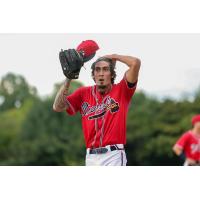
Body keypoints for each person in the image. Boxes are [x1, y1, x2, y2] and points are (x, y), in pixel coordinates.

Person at [53, 54, 141, 166]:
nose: (101, 73)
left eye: (105, 69)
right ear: (93, 75)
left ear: (112, 74)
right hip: (91, 157)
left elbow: (135, 63)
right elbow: (57, 107)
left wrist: (114, 56)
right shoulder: (83, 93)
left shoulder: (122, 90)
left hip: (113, 156)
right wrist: (68, 77)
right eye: (97, 70)